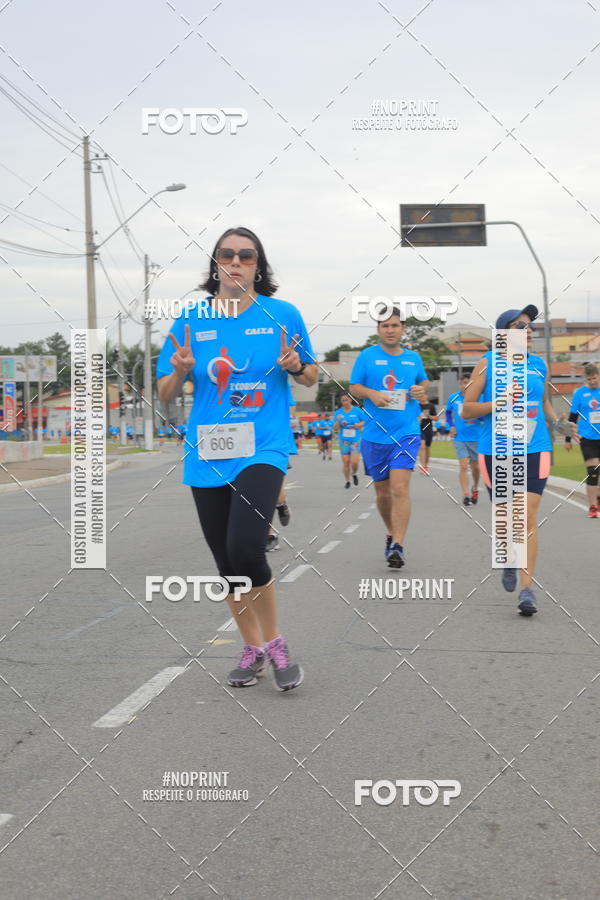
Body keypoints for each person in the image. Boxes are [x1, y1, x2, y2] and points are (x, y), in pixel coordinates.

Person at [157, 227, 317, 690]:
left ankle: (276, 643)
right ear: (216, 264)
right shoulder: (190, 318)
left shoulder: (282, 314)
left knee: (247, 546)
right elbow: (164, 393)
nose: (236, 261)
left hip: (263, 446)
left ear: (257, 266)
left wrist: (295, 366)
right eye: (227, 254)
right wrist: (181, 371)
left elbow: (310, 378)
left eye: (246, 256)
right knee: (227, 560)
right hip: (208, 450)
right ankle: (251, 649)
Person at [462, 304, 563, 617]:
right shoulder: (487, 363)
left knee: (526, 516)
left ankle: (527, 589)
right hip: (497, 450)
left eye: (529, 326)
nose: (527, 331)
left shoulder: (539, 365)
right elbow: (467, 410)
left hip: (536, 447)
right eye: (520, 326)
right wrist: (497, 402)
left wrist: (561, 424)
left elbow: (544, 402)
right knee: (507, 519)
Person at [350, 306, 428, 568]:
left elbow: (423, 384)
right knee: (383, 493)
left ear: (402, 328)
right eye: (385, 326)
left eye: (395, 325)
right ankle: (390, 533)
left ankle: (398, 545)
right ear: (378, 330)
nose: (390, 330)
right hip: (375, 435)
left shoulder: (413, 358)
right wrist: (372, 394)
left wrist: (419, 391)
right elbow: (354, 387)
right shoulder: (367, 356)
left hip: (406, 431)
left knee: (399, 488)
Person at [564, 362, 600, 517]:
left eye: (594, 378)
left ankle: (597, 497)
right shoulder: (580, 393)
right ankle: (592, 507)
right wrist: (567, 438)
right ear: (586, 378)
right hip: (587, 437)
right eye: (589, 379)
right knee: (593, 471)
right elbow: (572, 417)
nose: (592, 381)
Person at [266, 382, 295, 551]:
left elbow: (290, 410)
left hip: (274, 443)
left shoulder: (278, 384)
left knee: (275, 491)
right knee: (256, 493)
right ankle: (269, 532)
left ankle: (282, 504)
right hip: (246, 443)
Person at [445, 375, 483, 506]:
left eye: (469, 383)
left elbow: (484, 416)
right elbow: (448, 413)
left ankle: (475, 487)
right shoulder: (453, 398)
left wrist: (478, 416)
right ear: (460, 384)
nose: (466, 385)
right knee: (462, 466)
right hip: (460, 437)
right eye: (464, 383)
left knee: (476, 468)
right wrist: (451, 426)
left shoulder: (479, 398)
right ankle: (466, 494)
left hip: (476, 438)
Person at [332, 392, 365, 488]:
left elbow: (365, 421)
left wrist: (357, 425)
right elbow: (335, 428)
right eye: (343, 400)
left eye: (346, 400)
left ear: (350, 399)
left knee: (354, 462)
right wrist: (338, 421)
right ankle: (347, 481)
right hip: (344, 440)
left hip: (355, 440)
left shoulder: (357, 411)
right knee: (346, 462)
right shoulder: (338, 413)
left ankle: (354, 473)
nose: (345, 402)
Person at [418, 400, 438, 474]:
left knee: (427, 448)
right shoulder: (416, 405)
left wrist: (428, 416)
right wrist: (418, 418)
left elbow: (436, 418)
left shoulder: (431, 406)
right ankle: (423, 467)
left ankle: (426, 466)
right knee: (422, 445)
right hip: (419, 429)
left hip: (429, 429)